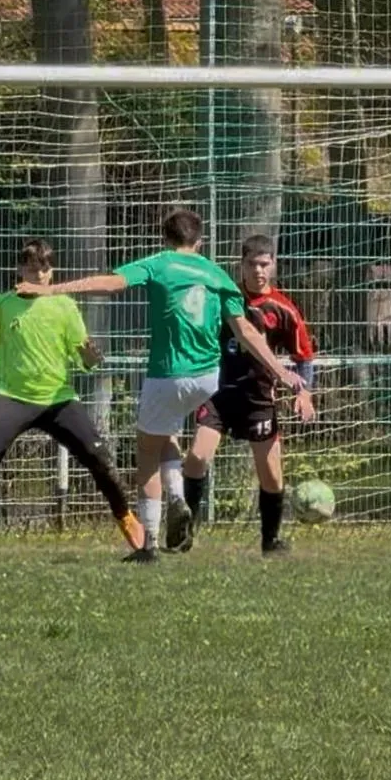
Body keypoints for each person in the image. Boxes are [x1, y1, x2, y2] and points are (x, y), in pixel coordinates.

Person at [17, 209, 314, 563]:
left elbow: (109, 283)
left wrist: (50, 289)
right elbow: (246, 330)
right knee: (167, 433)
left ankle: (150, 543)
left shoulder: (158, 263)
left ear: (165, 239)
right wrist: (282, 372)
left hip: (169, 373)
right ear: (199, 241)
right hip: (208, 379)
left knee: (147, 452)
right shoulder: (215, 272)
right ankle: (177, 496)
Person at [0, 238, 143, 556]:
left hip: (58, 399)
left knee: (100, 458)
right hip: (12, 396)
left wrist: (90, 358)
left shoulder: (64, 305)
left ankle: (127, 518)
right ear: (20, 270)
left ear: (52, 272)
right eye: (32, 268)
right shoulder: (3, 305)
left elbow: (82, 356)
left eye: (44, 269)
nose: (38, 275)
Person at [180, 234, 316, 556]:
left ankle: (271, 541)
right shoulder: (224, 298)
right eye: (252, 264)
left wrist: (305, 393)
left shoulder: (283, 309)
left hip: (258, 400)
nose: (259, 271)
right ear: (241, 265)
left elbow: (304, 357)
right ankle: (184, 534)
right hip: (218, 394)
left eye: (265, 264)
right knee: (197, 457)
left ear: (274, 265)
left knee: (271, 477)